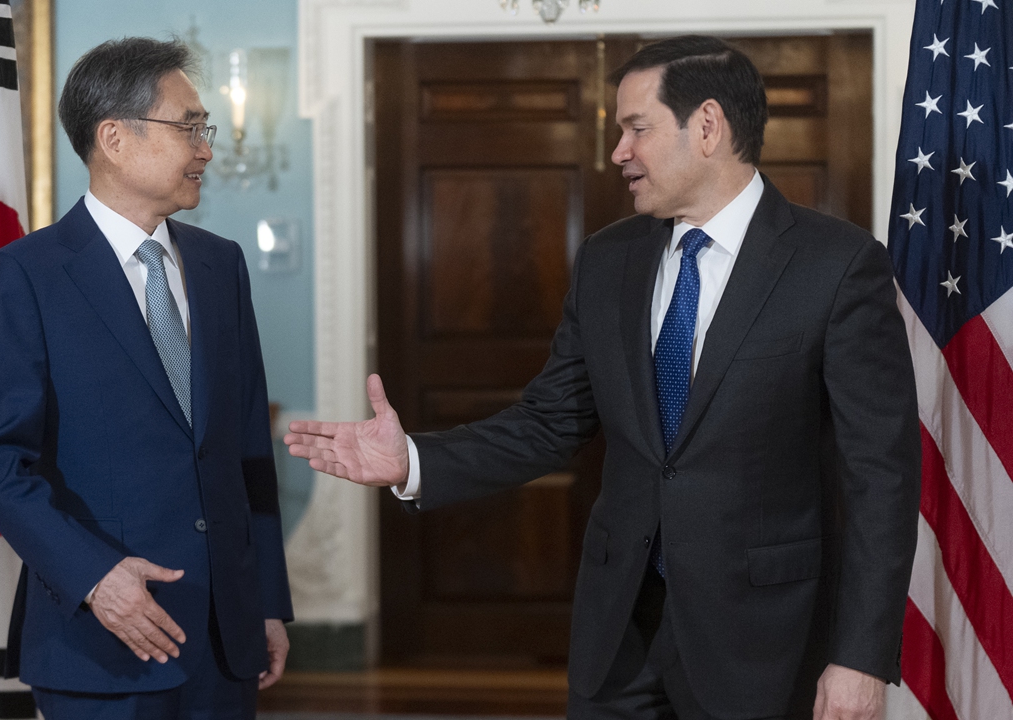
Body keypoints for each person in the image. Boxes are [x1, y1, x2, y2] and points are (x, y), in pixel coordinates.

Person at [285, 35, 919, 720]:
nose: (618, 150)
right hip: (618, 636)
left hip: (767, 641)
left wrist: (860, 655)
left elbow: (879, 475)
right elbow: (551, 421)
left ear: (707, 126)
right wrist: (411, 460)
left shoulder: (838, 264)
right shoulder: (607, 259)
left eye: (635, 128)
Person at [0, 37, 292, 720]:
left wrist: (264, 601)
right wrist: (94, 578)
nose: (206, 148)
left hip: (225, 642)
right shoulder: (26, 275)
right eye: (189, 126)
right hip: (99, 639)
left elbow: (244, 452)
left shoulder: (219, 265)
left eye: (206, 129)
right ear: (113, 137)